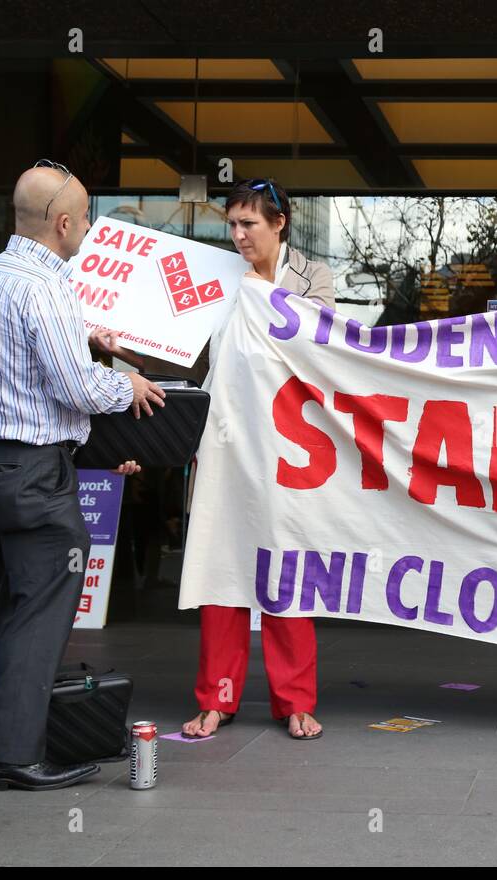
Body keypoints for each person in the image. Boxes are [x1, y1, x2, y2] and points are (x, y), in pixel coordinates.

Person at [0, 160, 165, 791]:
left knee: (16, 609)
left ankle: (10, 741)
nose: (89, 227)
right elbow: (73, 388)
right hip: (31, 475)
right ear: (65, 222)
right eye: (87, 216)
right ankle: (10, 758)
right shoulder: (46, 288)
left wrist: (81, 338)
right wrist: (125, 383)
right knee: (41, 614)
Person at [177, 178, 334, 741]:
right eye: (233, 225)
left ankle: (295, 699)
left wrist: (255, 293)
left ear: (279, 223)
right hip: (223, 440)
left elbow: (316, 347)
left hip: (289, 447)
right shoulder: (219, 280)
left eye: (250, 224)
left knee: (286, 569)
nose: (239, 235)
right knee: (223, 565)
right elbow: (194, 359)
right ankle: (216, 697)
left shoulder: (312, 277)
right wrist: (123, 346)